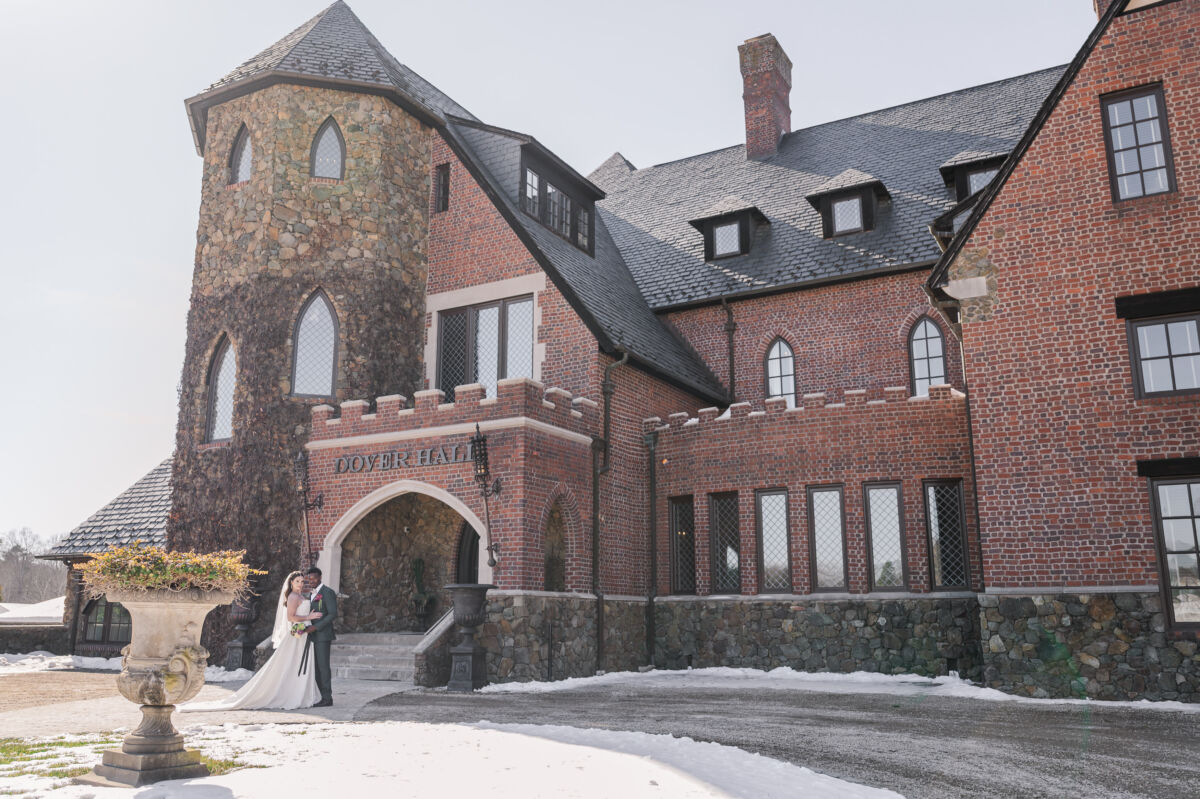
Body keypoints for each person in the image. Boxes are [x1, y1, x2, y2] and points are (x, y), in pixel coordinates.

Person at [181, 571, 322, 711]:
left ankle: (299, 692)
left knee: (295, 664)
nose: (300, 584)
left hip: (302, 633)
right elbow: (291, 618)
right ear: (291, 583)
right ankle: (291, 694)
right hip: (297, 634)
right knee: (290, 664)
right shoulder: (292, 597)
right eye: (297, 581)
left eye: (302, 581)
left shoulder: (300, 595)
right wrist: (309, 617)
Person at [304, 566, 337, 707]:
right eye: (309, 579)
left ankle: (327, 698)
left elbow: (332, 614)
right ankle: (319, 696)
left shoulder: (327, 592)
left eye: (314, 578)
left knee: (323, 667)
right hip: (311, 636)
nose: (311, 581)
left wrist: (316, 627)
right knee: (316, 667)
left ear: (320, 578)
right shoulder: (310, 594)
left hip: (323, 635)